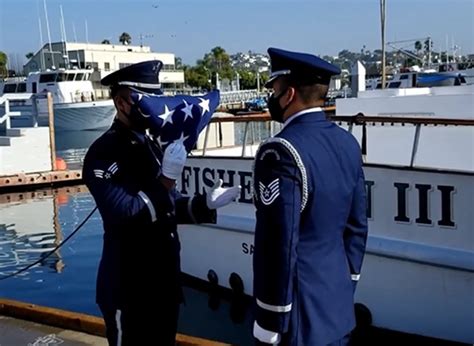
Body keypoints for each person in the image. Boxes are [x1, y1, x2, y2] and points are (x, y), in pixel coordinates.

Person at [82, 60, 240, 345]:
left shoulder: (150, 144)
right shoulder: (103, 153)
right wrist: (166, 180)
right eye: (145, 101)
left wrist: (204, 205)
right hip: (129, 290)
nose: (152, 109)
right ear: (121, 102)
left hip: (163, 285)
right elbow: (125, 214)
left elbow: (168, 206)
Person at [252, 48, 368, 346]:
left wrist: (270, 316)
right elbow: (356, 228)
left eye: (274, 91)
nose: (272, 98)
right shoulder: (347, 142)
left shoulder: (279, 152)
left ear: (288, 94)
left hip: (297, 318)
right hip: (337, 307)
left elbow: (278, 244)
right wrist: (346, 285)